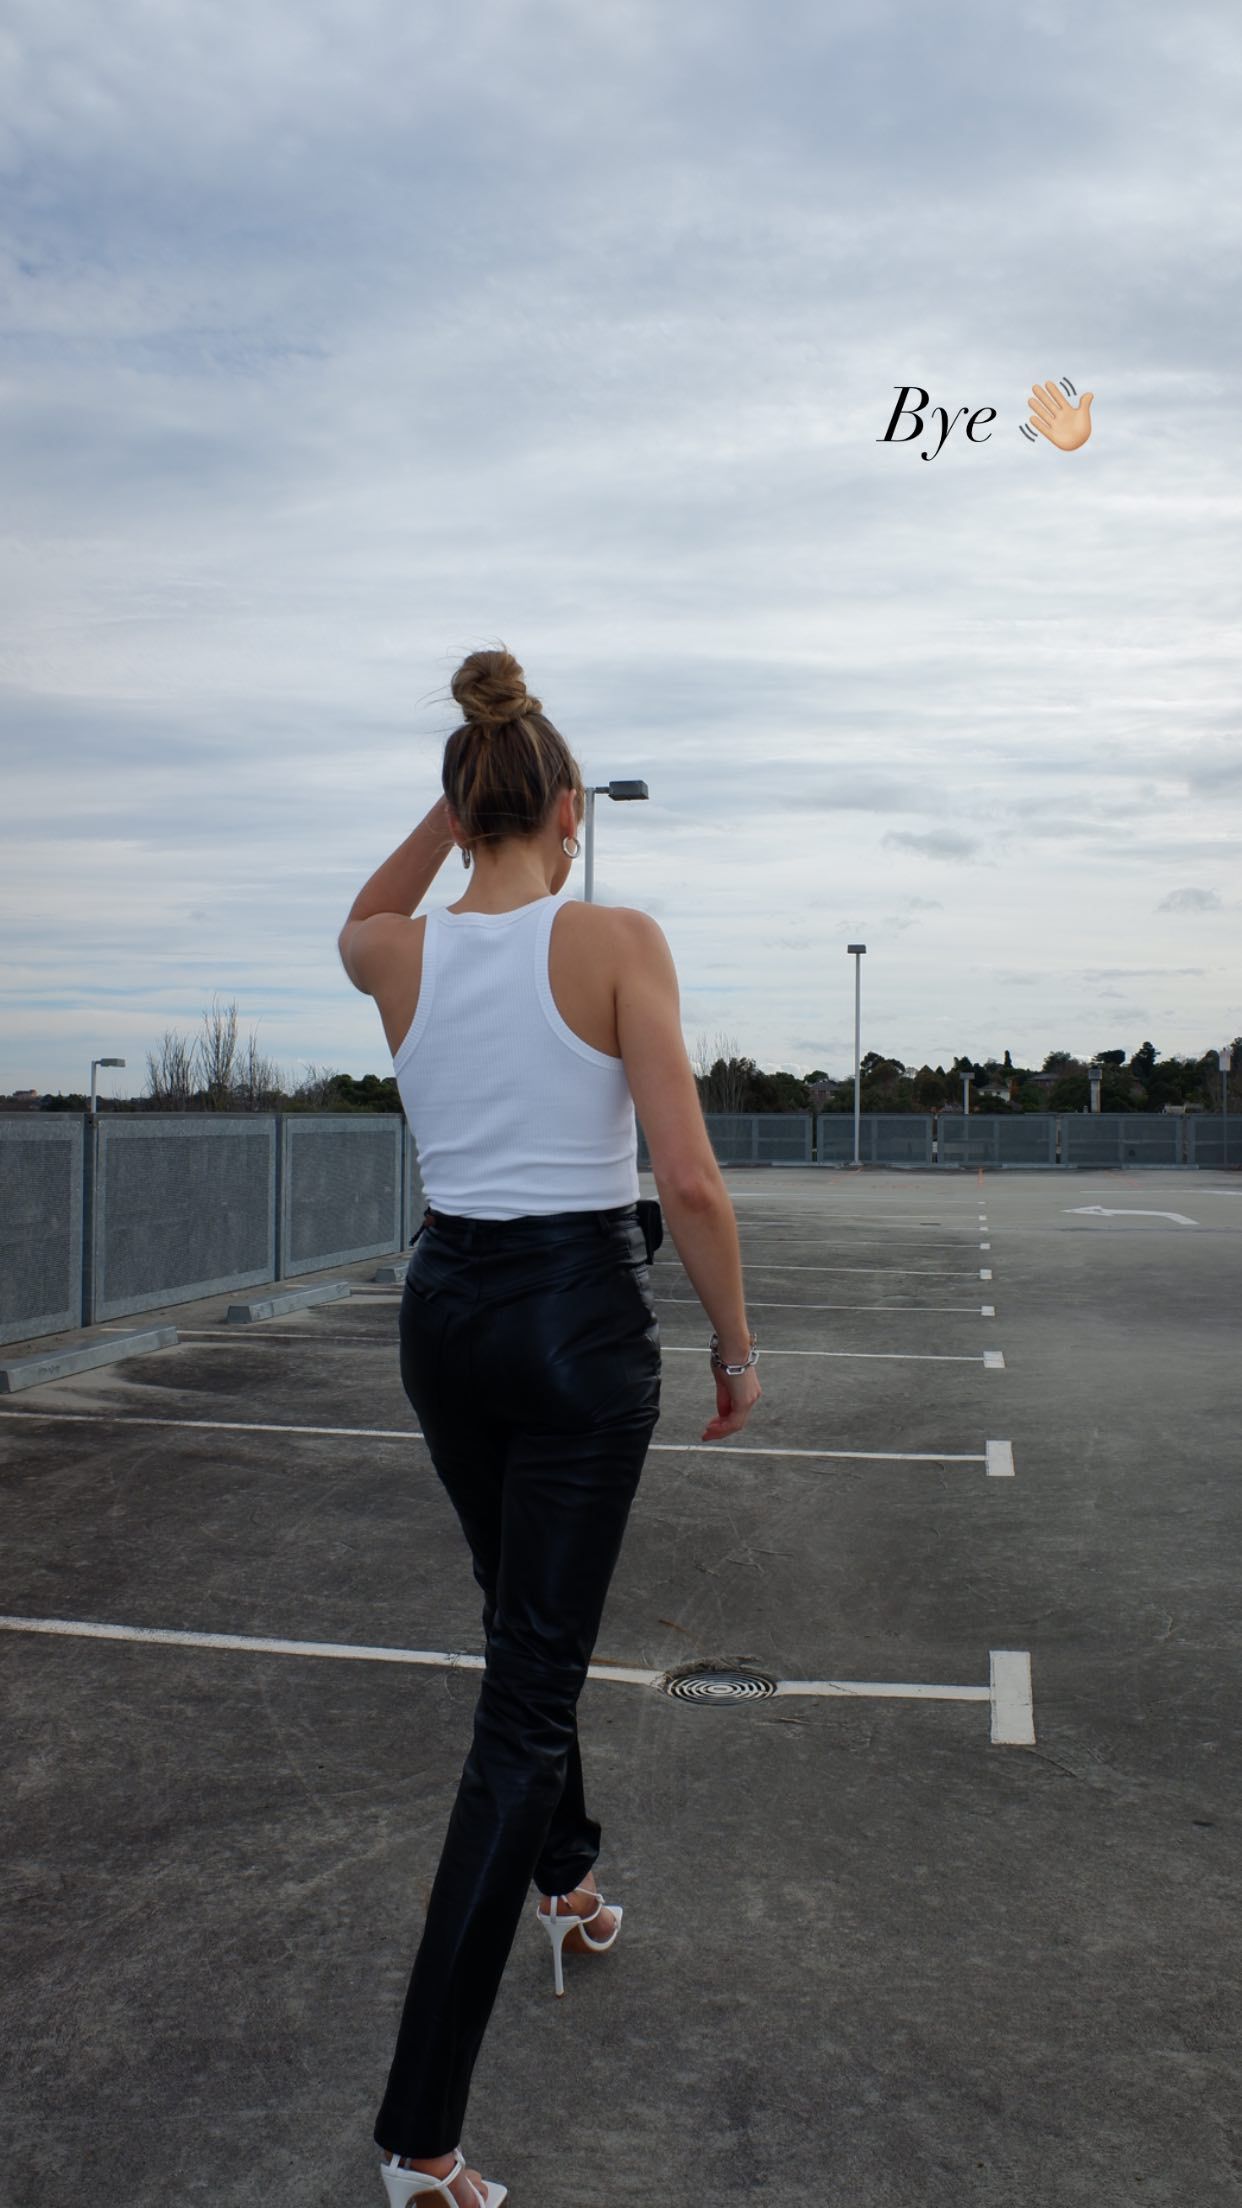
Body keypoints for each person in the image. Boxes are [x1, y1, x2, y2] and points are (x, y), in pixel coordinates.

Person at [337, 645, 762, 2207]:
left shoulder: (397, 956)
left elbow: (368, 908)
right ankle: (418, 2138)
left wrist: (457, 799)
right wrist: (734, 1345)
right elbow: (689, 1178)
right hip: (574, 1323)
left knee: (521, 1623)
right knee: (522, 1697)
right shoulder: (614, 939)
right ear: (568, 810)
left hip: (444, 1313)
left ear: (461, 812)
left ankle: (566, 1880)